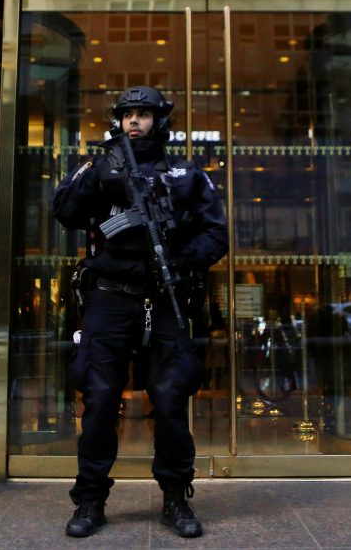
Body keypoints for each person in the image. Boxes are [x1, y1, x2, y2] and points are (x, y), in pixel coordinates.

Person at [52, 86, 228, 539]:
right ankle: (90, 498)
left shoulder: (185, 173)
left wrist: (179, 261)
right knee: (100, 399)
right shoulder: (99, 165)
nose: (134, 121)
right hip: (109, 299)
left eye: (143, 115)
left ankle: (174, 496)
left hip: (164, 297)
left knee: (169, 399)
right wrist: (97, 174)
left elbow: (215, 234)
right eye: (128, 114)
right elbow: (64, 210)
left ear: (159, 121)